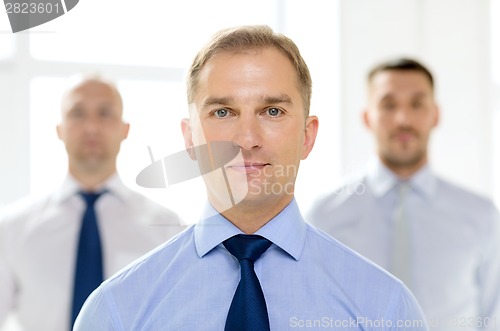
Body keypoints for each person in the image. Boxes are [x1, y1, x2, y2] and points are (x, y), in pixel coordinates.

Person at [74, 26, 428, 331]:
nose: (246, 139)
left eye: (272, 111)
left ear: (307, 136)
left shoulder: (385, 309)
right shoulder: (116, 312)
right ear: (189, 140)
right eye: (223, 112)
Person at [308, 57, 500, 330]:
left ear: (435, 115)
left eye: (417, 104)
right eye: (388, 105)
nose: (403, 119)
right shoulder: (325, 215)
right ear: (367, 117)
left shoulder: (482, 217)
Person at [0, 75, 184, 331]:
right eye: (77, 113)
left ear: (125, 129)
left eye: (105, 113)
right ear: (60, 130)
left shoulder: (166, 227)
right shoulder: (11, 228)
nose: (91, 127)